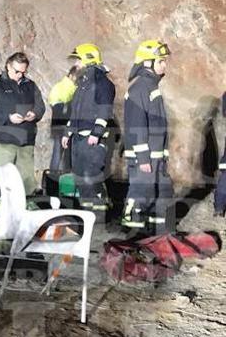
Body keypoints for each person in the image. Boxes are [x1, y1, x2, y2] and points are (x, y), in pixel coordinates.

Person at [121, 39, 174, 235]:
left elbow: (158, 125)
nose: (164, 65)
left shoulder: (150, 86)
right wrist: (143, 157)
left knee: (162, 192)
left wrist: (162, 154)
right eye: (161, 61)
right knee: (141, 192)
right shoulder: (140, 88)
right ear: (147, 63)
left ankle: (159, 233)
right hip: (145, 155)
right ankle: (132, 235)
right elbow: (137, 125)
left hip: (156, 155)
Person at [61, 43, 115, 213]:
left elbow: (104, 110)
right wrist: (67, 132)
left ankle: (98, 214)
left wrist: (96, 133)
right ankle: (89, 212)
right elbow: (75, 112)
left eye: (78, 60)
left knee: (90, 177)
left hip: (91, 139)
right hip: (78, 138)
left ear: (89, 61)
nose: (76, 64)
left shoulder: (103, 84)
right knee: (80, 177)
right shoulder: (82, 84)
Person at [0, 52, 45, 195]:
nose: (20, 75)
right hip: (4, 140)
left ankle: (26, 207)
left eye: (24, 72)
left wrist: (34, 113)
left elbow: (40, 106)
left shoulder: (31, 85)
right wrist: (8, 118)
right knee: (1, 179)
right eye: (17, 71)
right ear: (8, 67)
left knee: (27, 180)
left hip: (26, 140)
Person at [48, 66, 78, 171]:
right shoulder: (69, 88)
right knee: (65, 156)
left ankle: (52, 179)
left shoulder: (58, 86)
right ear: (71, 75)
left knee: (58, 154)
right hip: (65, 125)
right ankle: (61, 180)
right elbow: (68, 108)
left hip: (58, 125)